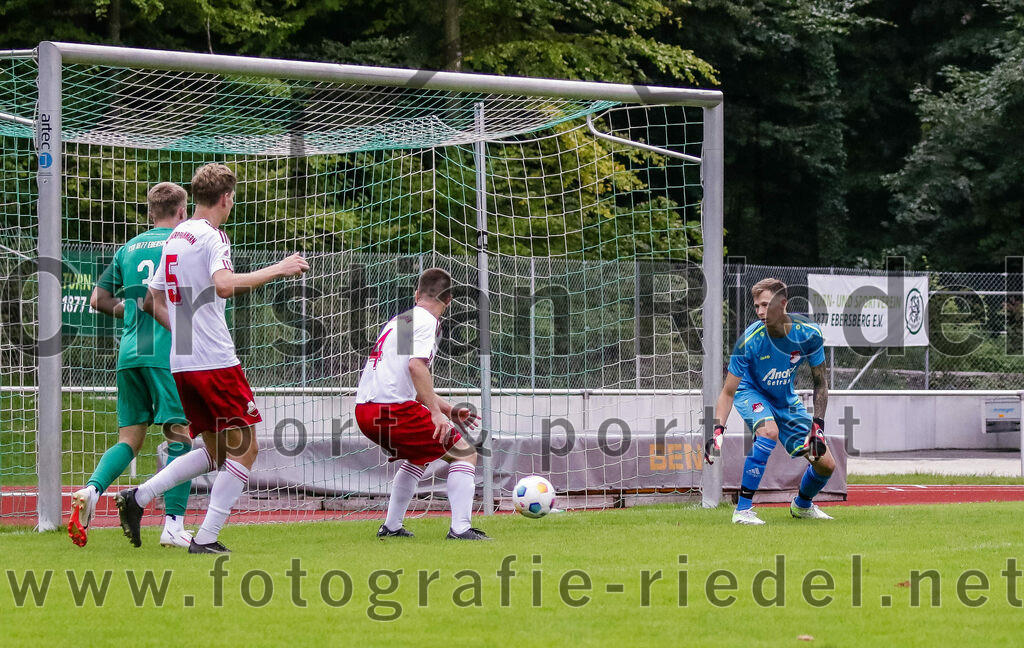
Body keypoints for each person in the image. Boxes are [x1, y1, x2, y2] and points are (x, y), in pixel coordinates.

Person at [114, 163, 309, 553]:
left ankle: (138, 498)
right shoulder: (213, 237)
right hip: (214, 361)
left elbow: (149, 300)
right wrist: (280, 268)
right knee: (247, 449)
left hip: (183, 363)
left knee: (218, 452)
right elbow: (223, 286)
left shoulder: (175, 237)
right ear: (225, 198)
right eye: (232, 197)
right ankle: (206, 537)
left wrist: (184, 332)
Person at [68, 182, 195, 548]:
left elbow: (97, 298)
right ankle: (173, 525)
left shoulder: (128, 248)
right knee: (179, 434)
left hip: (130, 353)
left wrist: (126, 309)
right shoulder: (183, 243)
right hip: (168, 351)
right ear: (182, 212)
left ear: (150, 213)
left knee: (129, 439)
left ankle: (92, 490)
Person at [354, 268, 489, 540]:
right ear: (449, 300)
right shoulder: (427, 321)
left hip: (366, 412)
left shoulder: (404, 320)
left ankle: (391, 527)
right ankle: (460, 529)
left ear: (417, 294)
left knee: (420, 456)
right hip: (393, 409)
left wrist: (448, 410)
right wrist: (437, 414)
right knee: (465, 452)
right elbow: (417, 367)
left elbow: (407, 380)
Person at [706, 278, 835, 525]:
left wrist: (817, 427)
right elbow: (727, 392)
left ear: (783, 303)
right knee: (768, 431)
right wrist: (717, 431)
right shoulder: (749, 340)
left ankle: (802, 506)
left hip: (784, 399)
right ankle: (742, 510)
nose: (760, 312)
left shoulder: (808, 334)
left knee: (826, 465)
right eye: (756, 306)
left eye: (765, 305)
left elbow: (821, 383)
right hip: (750, 392)